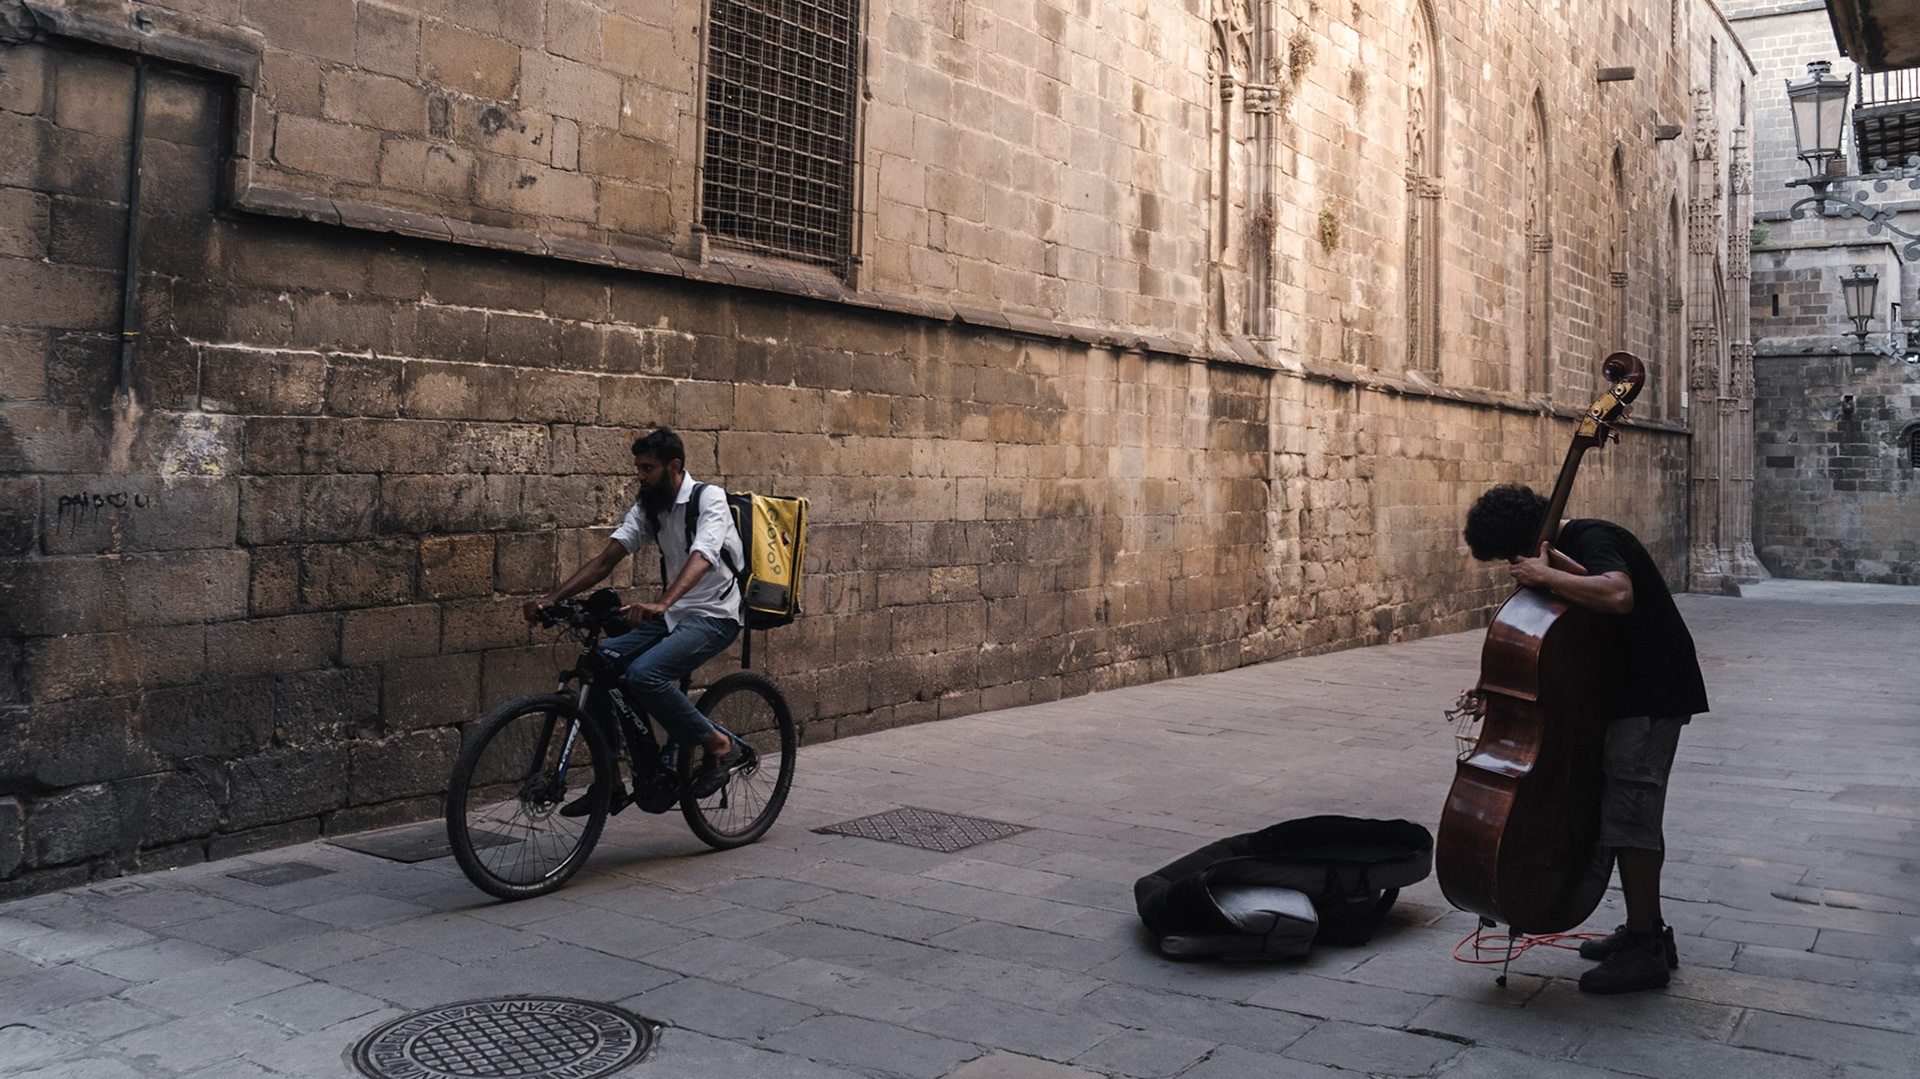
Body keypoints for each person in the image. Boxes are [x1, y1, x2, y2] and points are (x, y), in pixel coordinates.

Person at [1462, 484, 1709, 995]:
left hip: (1652, 696)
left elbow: (1619, 594)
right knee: (1621, 813)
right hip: (1621, 694)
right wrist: (1505, 687)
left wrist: (1544, 573)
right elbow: (1567, 644)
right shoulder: (1567, 556)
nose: (1516, 563)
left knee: (1630, 819)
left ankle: (1645, 951)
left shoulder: (1594, 539)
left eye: (1514, 553)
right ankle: (1650, 932)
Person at [524, 428, 746, 802]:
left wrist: (662, 602)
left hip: (714, 615)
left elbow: (703, 556)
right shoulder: (649, 506)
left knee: (645, 675)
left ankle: (720, 744)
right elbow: (607, 559)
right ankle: (610, 780)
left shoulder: (710, 499)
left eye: (648, 468)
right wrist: (553, 598)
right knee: (598, 662)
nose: (640, 476)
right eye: (638, 468)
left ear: (674, 467)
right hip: (673, 614)